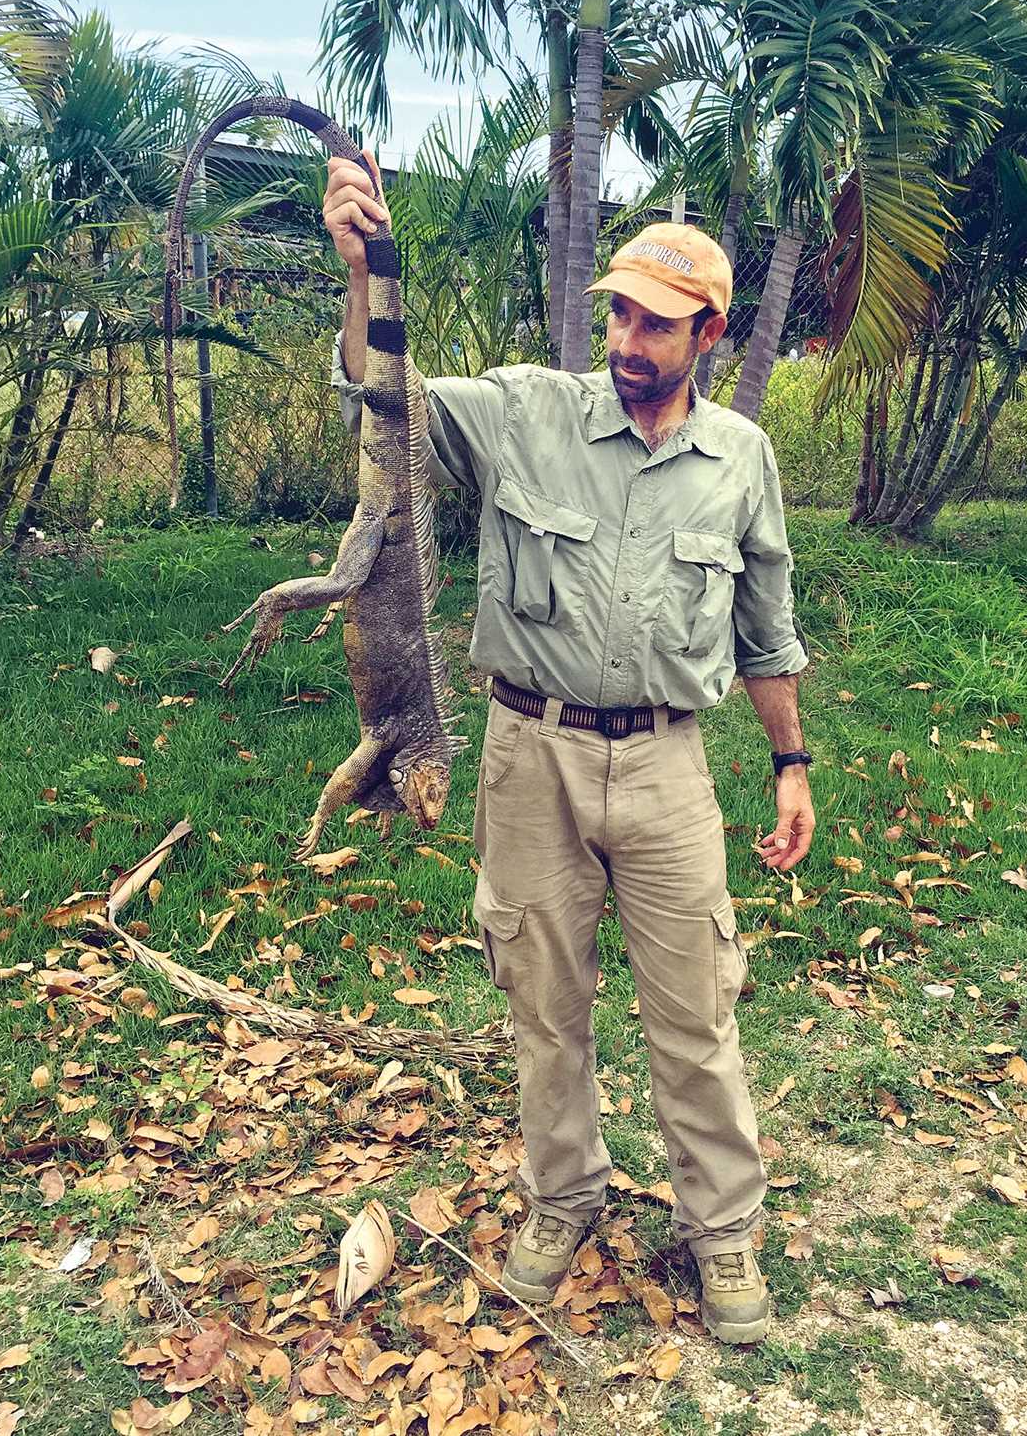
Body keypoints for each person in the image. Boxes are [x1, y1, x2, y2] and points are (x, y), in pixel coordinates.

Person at [323, 153, 814, 1345]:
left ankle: (725, 1232)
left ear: (709, 331)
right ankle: (563, 1196)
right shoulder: (527, 411)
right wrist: (362, 274)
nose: (630, 337)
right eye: (620, 313)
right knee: (544, 1001)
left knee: (693, 1008)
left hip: (666, 764)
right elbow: (385, 398)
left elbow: (765, 624)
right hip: (525, 753)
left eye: (656, 321)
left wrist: (790, 762)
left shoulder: (740, 456)